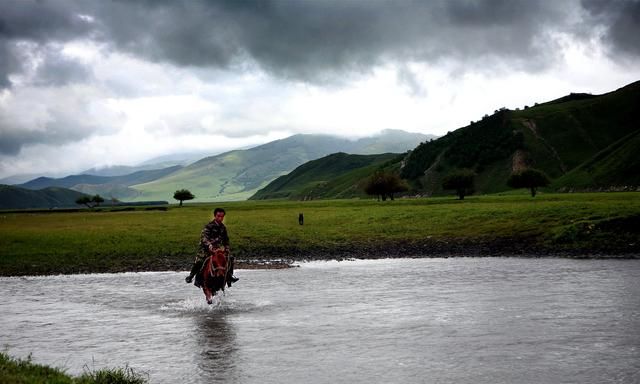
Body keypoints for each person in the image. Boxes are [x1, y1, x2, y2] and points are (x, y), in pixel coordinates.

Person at [185, 207, 239, 287]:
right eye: (218, 216)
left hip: (217, 249)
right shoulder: (209, 226)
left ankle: (229, 276)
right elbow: (204, 238)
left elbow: (226, 240)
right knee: (200, 260)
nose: (220, 218)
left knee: (230, 258)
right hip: (206, 248)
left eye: (222, 216)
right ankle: (191, 276)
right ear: (215, 216)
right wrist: (209, 244)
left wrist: (226, 248)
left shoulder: (223, 228)